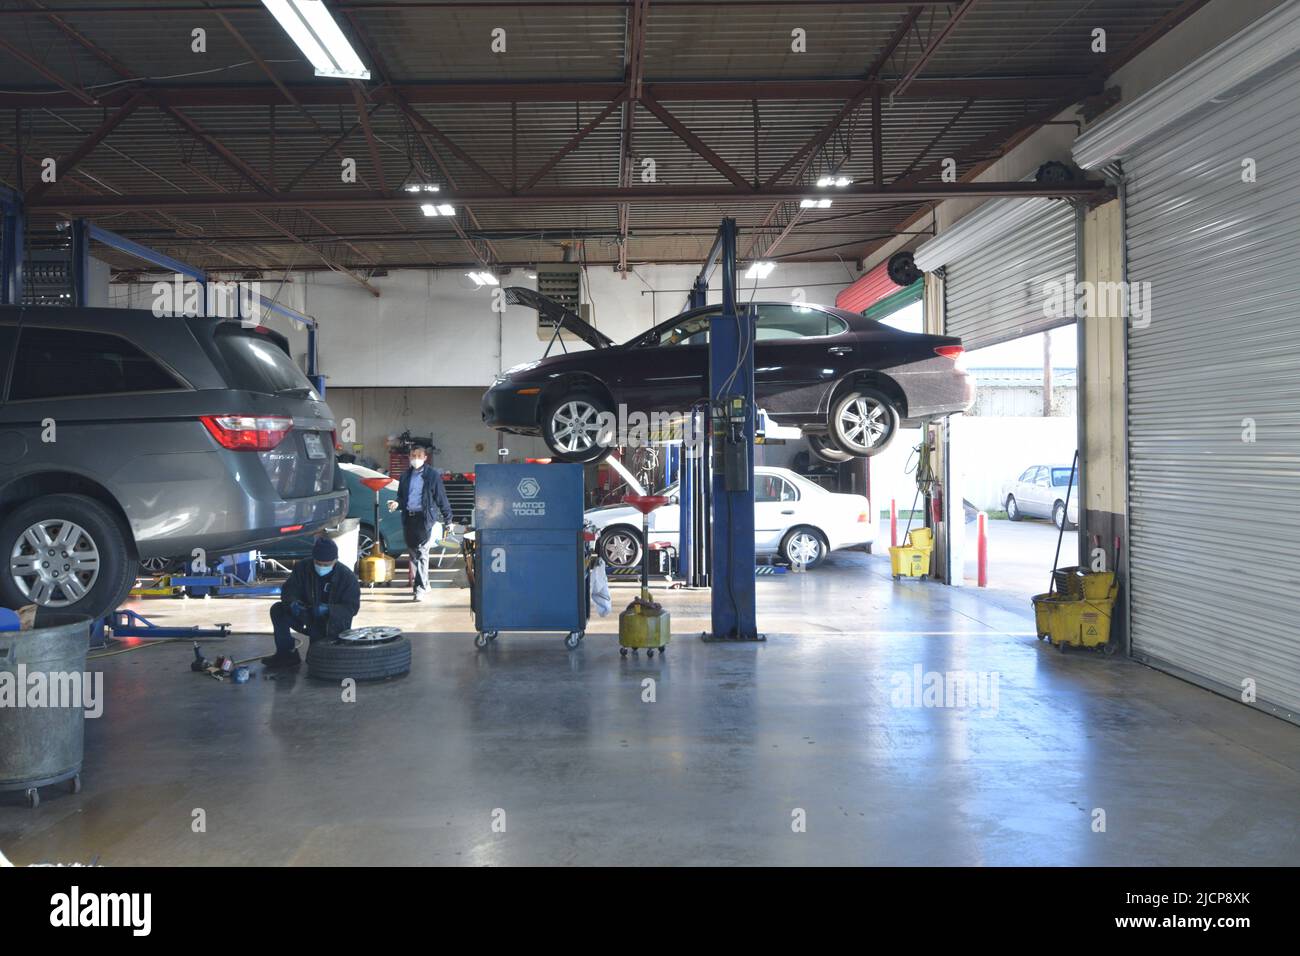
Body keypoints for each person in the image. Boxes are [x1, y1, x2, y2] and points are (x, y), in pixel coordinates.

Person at [261, 537, 361, 668]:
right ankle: (286, 655)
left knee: (316, 662)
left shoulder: (347, 578)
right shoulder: (302, 568)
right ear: (313, 559)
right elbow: (289, 590)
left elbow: (352, 608)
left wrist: (328, 609)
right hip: (306, 615)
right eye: (318, 563)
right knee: (278, 610)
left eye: (327, 564)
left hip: (330, 623)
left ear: (335, 560)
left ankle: (323, 646)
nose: (322, 567)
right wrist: (293, 603)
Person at [389, 445, 454, 601]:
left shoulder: (432, 476)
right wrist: (396, 503)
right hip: (408, 517)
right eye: (412, 455)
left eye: (419, 455)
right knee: (412, 554)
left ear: (425, 458)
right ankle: (425, 582)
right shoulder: (405, 476)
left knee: (421, 552)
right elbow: (401, 497)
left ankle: (420, 588)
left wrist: (448, 520)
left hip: (424, 519)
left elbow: (441, 498)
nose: (415, 458)